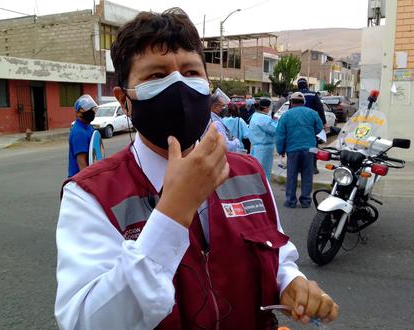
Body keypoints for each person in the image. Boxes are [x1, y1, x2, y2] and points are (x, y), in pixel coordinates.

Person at [55, 8, 338, 330]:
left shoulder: (248, 172)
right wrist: (174, 211)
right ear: (124, 99)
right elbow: (86, 323)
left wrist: (290, 283)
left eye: (191, 72)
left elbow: (278, 254)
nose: (178, 85)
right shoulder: (90, 194)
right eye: (156, 76)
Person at [276, 92, 323, 208]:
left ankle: (291, 201)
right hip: (309, 149)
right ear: (304, 102)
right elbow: (319, 128)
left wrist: (280, 149)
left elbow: (280, 135)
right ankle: (306, 201)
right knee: (307, 176)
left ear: (291, 103)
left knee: (292, 176)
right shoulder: (312, 113)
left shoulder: (285, 116)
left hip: (293, 150)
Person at [297, 78, 326, 174]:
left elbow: (290, 110)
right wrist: (323, 122)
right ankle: (313, 167)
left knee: (300, 145)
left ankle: (300, 167)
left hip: (298, 125)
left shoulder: (295, 95)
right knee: (313, 145)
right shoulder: (313, 94)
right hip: (311, 125)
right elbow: (320, 109)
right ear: (307, 85)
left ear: (298, 86)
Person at [67, 94, 96, 177]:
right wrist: (89, 182)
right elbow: (81, 162)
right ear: (78, 113)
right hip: (79, 180)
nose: (91, 111)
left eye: (91, 108)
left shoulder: (88, 127)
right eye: (86, 109)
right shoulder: (79, 132)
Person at [249, 98, 277, 179]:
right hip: (264, 148)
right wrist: (277, 122)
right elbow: (274, 130)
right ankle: (265, 191)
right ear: (266, 108)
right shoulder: (264, 118)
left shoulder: (255, 115)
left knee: (256, 170)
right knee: (264, 172)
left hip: (256, 147)